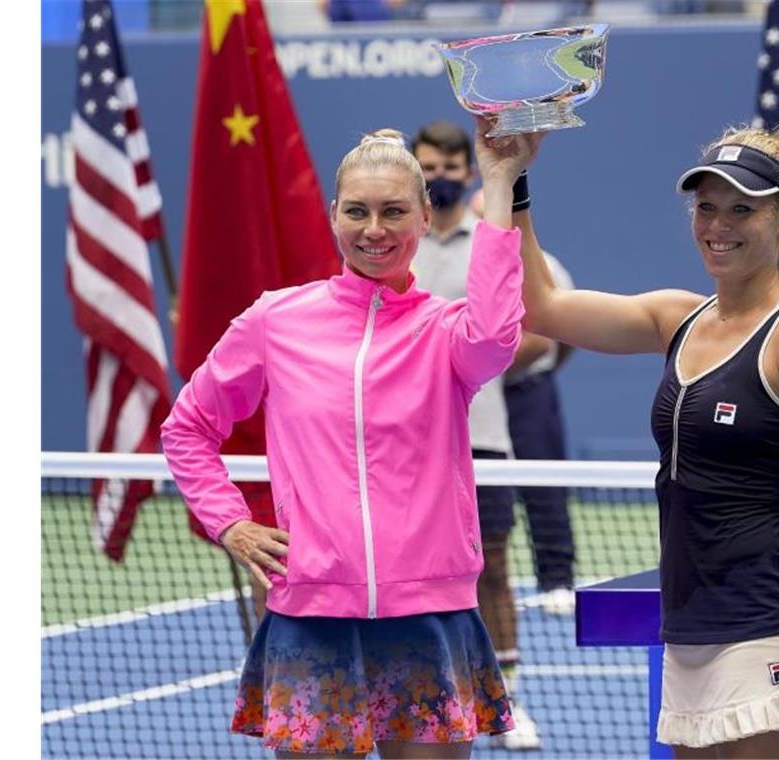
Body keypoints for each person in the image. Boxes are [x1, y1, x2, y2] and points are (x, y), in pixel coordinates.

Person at [160, 119, 541, 758]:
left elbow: (500, 332)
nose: (374, 230)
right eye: (357, 212)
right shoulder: (274, 321)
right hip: (311, 620)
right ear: (333, 215)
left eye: (394, 212)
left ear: (424, 217)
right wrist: (230, 523)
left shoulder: (450, 332)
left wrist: (500, 180)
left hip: (429, 617)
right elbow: (188, 429)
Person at [516, 126, 779, 757]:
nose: (718, 225)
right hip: (688, 628)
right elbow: (539, 307)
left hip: (770, 625)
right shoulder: (675, 317)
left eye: (742, 209)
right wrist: (510, 177)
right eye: (706, 207)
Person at [409, 119, 543, 751]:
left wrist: (470, 357)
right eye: (426, 164)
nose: (437, 176)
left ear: (467, 170)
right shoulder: (391, 242)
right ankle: (428, 693)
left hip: (481, 436)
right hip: (402, 448)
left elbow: (533, 324)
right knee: (413, 575)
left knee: (491, 569)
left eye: (447, 165)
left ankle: (506, 701)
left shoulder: (492, 238)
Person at [503, 250, 578, 616]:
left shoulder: (546, 266)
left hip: (529, 391)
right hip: (470, 397)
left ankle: (557, 580)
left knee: (545, 487)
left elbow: (562, 336)